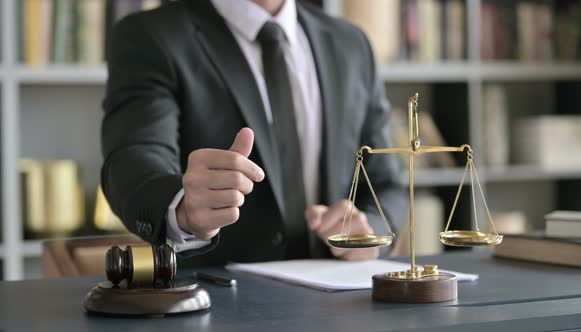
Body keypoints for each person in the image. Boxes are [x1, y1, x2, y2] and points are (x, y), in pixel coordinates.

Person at [101, 0, 407, 265]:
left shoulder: (350, 44)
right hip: (219, 305)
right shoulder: (151, 36)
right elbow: (133, 159)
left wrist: (369, 230)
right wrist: (183, 208)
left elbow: (387, 183)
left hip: (342, 306)